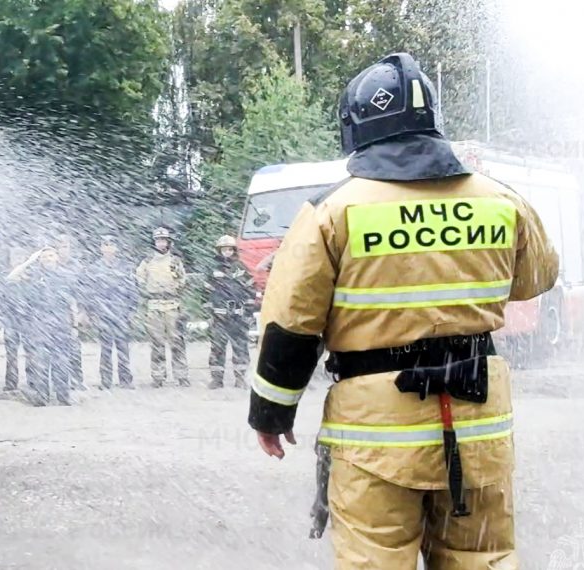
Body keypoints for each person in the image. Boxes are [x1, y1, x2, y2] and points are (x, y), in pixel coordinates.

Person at [248, 52, 558, 569]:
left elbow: (291, 325)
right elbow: (535, 280)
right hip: (478, 427)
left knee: (375, 560)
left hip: (375, 438)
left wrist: (271, 413)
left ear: (356, 128)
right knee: (481, 558)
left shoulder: (332, 211)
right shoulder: (503, 200)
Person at [8, 246, 77, 406]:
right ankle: (42, 396)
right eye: (44, 257)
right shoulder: (33, 275)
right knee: (40, 362)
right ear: (39, 260)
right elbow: (11, 277)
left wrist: (74, 326)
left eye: (51, 255)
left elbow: (74, 301)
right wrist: (29, 261)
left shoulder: (67, 275)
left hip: (61, 323)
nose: (48, 259)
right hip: (39, 323)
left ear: (57, 257)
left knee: (62, 362)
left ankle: (63, 396)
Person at [135, 226, 189, 387]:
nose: (161, 243)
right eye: (158, 241)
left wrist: (175, 288)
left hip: (172, 304)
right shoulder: (147, 261)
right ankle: (158, 376)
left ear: (168, 242)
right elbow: (139, 278)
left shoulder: (175, 261)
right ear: (154, 242)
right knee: (157, 342)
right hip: (154, 305)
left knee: (177, 340)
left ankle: (181, 374)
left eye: (163, 240)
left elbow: (183, 279)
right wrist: (147, 290)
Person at [83, 235, 137, 389]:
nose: (108, 248)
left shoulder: (125, 267)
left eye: (111, 245)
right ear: (101, 248)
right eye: (105, 245)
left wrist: (132, 310)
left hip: (121, 313)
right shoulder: (94, 269)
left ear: (116, 248)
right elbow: (90, 292)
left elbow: (132, 289)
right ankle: (106, 381)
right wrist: (91, 312)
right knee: (105, 349)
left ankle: (125, 380)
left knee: (123, 348)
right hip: (103, 314)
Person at [205, 235, 256, 389]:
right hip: (218, 316)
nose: (227, 252)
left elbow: (250, 290)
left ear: (234, 250)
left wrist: (248, 313)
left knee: (240, 347)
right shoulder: (213, 269)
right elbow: (206, 292)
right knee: (217, 347)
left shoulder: (240, 268)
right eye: (224, 249)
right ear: (219, 251)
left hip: (237, 316)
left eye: (230, 249)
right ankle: (217, 379)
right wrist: (208, 313)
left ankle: (240, 378)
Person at [55, 233, 87, 390]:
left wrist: (82, 311)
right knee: (57, 348)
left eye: (66, 246)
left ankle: (76, 379)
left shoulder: (77, 267)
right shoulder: (51, 266)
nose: (63, 250)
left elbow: (83, 290)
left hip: (72, 311)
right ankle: (59, 380)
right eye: (60, 247)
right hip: (56, 312)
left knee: (74, 347)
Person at [1, 246, 34, 392]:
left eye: (21, 257)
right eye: (15, 257)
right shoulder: (5, 275)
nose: (18, 260)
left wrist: (26, 281)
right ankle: (11, 381)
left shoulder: (32, 276)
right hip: (11, 318)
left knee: (30, 351)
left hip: (28, 319)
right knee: (11, 352)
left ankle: (32, 381)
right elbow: (0, 296)